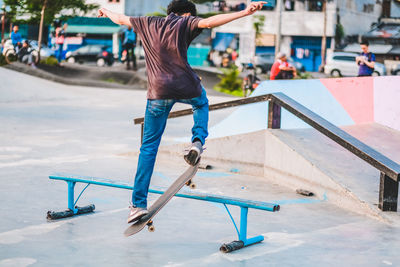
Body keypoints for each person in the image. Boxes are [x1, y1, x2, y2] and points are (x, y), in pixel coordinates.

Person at [98, 0, 267, 224]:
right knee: (201, 104)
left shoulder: (146, 22)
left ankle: (137, 205)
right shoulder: (187, 22)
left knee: (148, 148)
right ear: (186, 13)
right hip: (187, 85)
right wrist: (245, 12)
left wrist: (104, 10)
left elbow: (120, 19)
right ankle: (197, 141)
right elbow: (208, 23)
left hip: (157, 92)